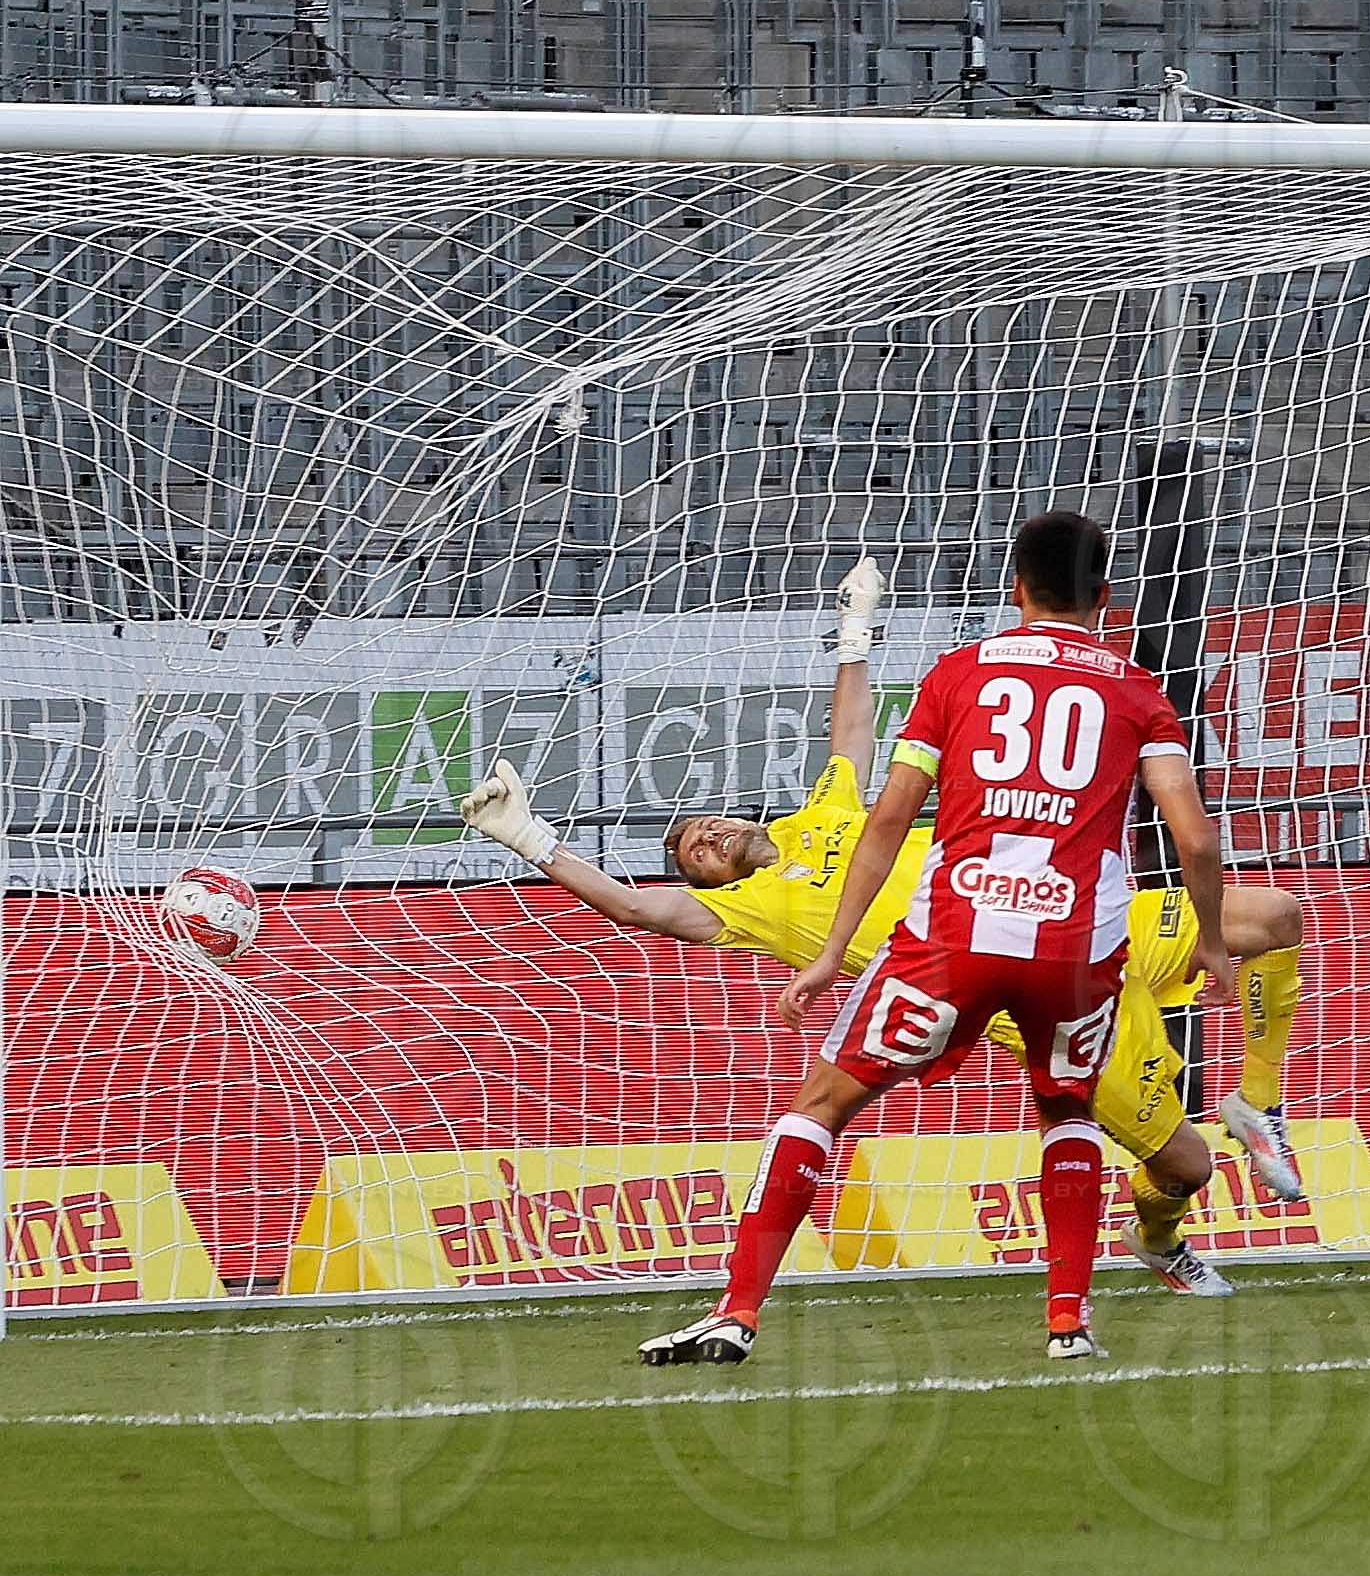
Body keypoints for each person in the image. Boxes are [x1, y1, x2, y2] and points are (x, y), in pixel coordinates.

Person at [461, 561, 1307, 1309]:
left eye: (707, 826)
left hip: (1091, 923)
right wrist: (534, 840)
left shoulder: (823, 812)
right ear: (709, 883)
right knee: (1186, 1169)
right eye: (695, 855)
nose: (709, 839)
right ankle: (1157, 1237)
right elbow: (639, 909)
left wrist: (854, 630)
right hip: (1038, 991)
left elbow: (853, 730)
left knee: (1272, 918)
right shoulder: (748, 909)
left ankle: (1257, 1101)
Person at [640, 511, 1233, 1363]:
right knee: (1065, 1108)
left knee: (823, 1108)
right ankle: (1068, 1325)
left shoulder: (960, 675)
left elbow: (887, 825)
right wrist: (1210, 940)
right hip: (1070, 950)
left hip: (953, 937)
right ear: (1104, 596)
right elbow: (1198, 839)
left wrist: (826, 953)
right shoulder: (1141, 694)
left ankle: (736, 1312)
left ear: (1013, 589)